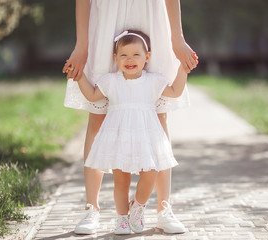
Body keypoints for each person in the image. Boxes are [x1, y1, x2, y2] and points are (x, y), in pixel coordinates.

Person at [62, 0, 198, 234]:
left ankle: (163, 207)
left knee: (159, 115)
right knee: (98, 116)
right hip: (105, 16)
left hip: (151, 15)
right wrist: (81, 44)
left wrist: (177, 38)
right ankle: (92, 208)